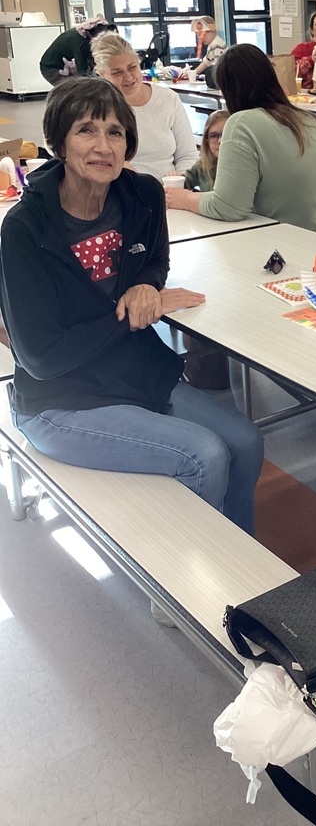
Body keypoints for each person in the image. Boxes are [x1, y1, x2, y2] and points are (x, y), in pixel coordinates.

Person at [0, 78, 264, 543]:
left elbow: (156, 259)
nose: (103, 146)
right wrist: (133, 313)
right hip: (59, 398)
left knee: (245, 442)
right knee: (203, 454)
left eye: (116, 132)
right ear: (59, 141)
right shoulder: (24, 228)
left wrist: (147, 283)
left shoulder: (140, 194)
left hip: (134, 374)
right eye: (86, 130)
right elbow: (41, 359)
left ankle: (235, 558)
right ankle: (180, 596)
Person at [164, 43, 316, 234]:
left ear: (228, 90)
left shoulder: (242, 123)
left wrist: (184, 199)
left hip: (292, 243)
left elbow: (228, 207)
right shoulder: (307, 120)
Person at [90, 32, 198, 181]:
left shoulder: (168, 99)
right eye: (117, 72)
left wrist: (180, 178)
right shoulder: (96, 107)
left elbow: (188, 154)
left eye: (132, 67)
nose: (128, 77)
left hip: (169, 192)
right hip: (120, 191)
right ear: (102, 74)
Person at [39, 17, 116, 85]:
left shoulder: (87, 35)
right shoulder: (80, 42)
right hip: (50, 67)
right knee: (77, 91)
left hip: (66, 65)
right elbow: (83, 71)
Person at [184, 109, 228, 192]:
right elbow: (186, 181)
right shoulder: (202, 166)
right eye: (214, 136)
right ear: (206, 140)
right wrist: (177, 178)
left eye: (225, 134)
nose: (220, 141)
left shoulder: (243, 167)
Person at [291, 10, 316, 90]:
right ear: (312, 30)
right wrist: (311, 59)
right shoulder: (301, 48)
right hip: (306, 93)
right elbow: (292, 71)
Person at [183, 16, 227, 81]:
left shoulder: (217, 45)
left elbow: (217, 70)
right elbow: (206, 61)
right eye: (199, 36)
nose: (201, 38)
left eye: (203, 35)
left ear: (212, 31)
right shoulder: (212, 45)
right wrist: (193, 73)